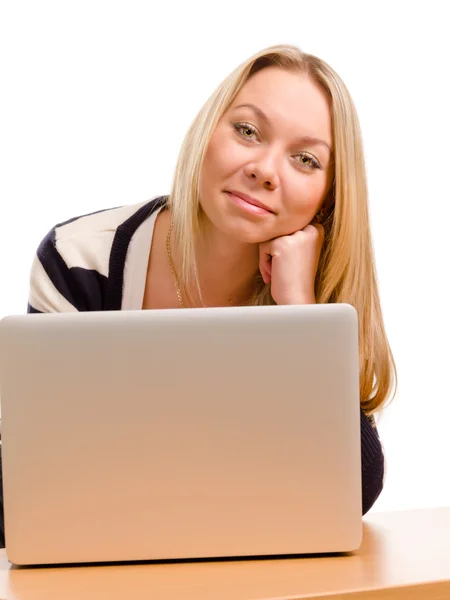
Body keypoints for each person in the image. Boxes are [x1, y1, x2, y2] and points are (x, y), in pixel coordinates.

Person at [0, 44, 397, 547]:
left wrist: (300, 312)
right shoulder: (81, 259)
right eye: (247, 131)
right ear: (207, 131)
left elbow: (354, 490)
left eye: (305, 159)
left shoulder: (316, 299)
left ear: (329, 197)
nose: (266, 169)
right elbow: (22, 491)